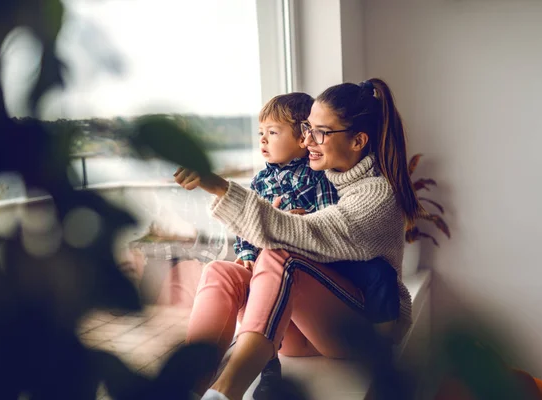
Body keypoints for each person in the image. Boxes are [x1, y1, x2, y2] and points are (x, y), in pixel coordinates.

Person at [174, 79, 422, 400]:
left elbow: (304, 234)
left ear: (358, 140)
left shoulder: (374, 195)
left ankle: (225, 392)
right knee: (220, 272)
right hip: (301, 330)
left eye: (320, 132)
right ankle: (187, 387)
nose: (307, 140)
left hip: (358, 332)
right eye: (306, 128)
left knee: (281, 256)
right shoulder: (332, 179)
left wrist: (221, 187)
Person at [234, 92, 338, 270]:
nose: (263, 139)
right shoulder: (259, 181)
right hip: (262, 260)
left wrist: (302, 222)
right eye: (261, 132)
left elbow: (329, 225)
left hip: (301, 263)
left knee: (272, 258)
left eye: (272, 132)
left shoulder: (316, 175)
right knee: (216, 269)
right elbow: (245, 222)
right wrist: (246, 254)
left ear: (301, 139)